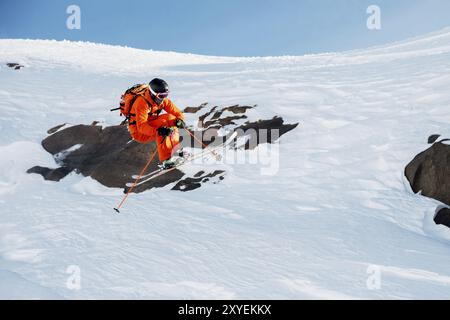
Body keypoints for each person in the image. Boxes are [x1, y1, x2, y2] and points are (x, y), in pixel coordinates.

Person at [127, 78, 186, 169]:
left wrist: (180, 120)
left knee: (171, 119)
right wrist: (158, 131)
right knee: (163, 125)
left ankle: (176, 150)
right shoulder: (142, 103)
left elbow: (177, 113)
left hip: (150, 125)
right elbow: (142, 127)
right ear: (152, 93)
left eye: (166, 94)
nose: (164, 98)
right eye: (161, 95)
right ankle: (166, 160)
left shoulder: (162, 100)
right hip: (139, 132)